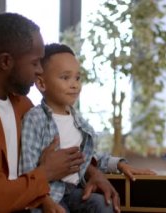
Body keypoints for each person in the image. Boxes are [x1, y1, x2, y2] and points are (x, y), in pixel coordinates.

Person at [0, 12, 121, 213]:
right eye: (35, 63)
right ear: (6, 62)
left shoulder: (23, 105)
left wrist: (93, 171)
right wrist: (46, 174)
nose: (40, 71)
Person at [20, 43, 156, 212]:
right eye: (65, 77)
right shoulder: (35, 119)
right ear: (41, 83)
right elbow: (27, 168)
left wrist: (119, 165)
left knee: (104, 205)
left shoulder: (78, 122)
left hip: (74, 191)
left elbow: (89, 157)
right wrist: (45, 201)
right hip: (47, 195)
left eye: (77, 78)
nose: (74, 85)